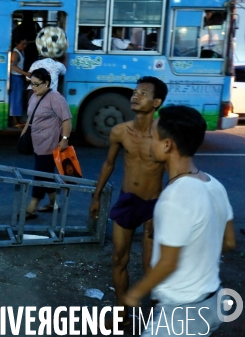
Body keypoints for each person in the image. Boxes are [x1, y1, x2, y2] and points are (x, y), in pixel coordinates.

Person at [124, 105, 236, 336]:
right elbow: (229, 242)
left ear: (167, 145)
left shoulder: (175, 197)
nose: (149, 143)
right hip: (213, 302)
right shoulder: (214, 185)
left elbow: (168, 263)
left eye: (153, 137)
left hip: (183, 314)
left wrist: (133, 294)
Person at [88, 76, 168, 330]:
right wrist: (96, 196)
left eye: (143, 94)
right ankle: (122, 311)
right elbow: (109, 164)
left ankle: (157, 316)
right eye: (135, 92)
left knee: (150, 265)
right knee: (118, 260)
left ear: (157, 102)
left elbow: (176, 173)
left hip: (154, 205)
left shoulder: (164, 135)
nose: (135, 96)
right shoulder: (120, 131)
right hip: (127, 201)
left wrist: (165, 211)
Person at [21, 68, 72, 219]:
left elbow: (67, 120)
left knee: (40, 174)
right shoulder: (34, 96)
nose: (33, 87)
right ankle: (53, 203)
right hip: (36, 142)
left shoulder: (56, 98)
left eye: (36, 84)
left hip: (49, 144)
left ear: (47, 83)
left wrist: (64, 139)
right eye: (31, 84)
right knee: (47, 173)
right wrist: (23, 135)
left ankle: (32, 208)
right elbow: (30, 118)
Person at [9, 36, 30, 127]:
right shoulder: (15, 53)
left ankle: (19, 119)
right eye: (22, 44)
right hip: (15, 78)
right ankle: (15, 120)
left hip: (18, 77)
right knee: (15, 99)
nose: (25, 46)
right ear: (16, 44)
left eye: (25, 44)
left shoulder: (21, 51)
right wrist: (25, 73)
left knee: (19, 99)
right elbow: (13, 66)